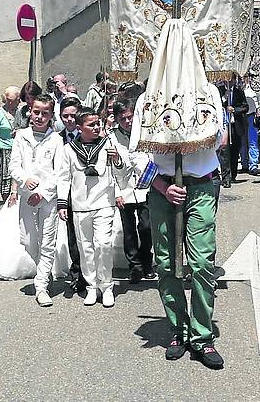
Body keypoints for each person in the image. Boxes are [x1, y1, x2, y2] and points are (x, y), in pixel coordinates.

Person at [131, 80, 227, 369]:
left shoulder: (208, 93)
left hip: (200, 185)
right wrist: (162, 186)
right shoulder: (147, 99)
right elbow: (136, 152)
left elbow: (219, 135)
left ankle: (202, 336)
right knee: (166, 262)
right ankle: (178, 329)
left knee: (201, 262)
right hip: (163, 190)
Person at [57, 109, 131, 307]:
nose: (97, 127)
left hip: (104, 202)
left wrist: (117, 160)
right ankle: (91, 286)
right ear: (80, 128)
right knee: (85, 248)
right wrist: (63, 203)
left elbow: (121, 174)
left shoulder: (108, 144)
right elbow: (64, 178)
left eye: (98, 123)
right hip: (81, 205)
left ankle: (107, 286)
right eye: (91, 124)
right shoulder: (69, 149)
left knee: (103, 244)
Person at [5, 93, 63, 305]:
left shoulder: (56, 139)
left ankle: (41, 285)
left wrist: (44, 193)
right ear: (30, 112)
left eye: (44, 114)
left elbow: (60, 172)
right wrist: (25, 179)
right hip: (27, 197)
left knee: (48, 242)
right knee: (29, 240)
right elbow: (14, 165)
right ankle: (43, 269)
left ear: (50, 116)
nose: (39, 117)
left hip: (48, 199)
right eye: (36, 112)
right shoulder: (21, 136)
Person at [112, 98, 154, 283]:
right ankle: (134, 266)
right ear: (116, 119)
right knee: (128, 231)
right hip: (124, 188)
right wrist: (116, 193)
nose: (127, 122)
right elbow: (109, 171)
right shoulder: (111, 137)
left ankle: (146, 261)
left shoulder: (144, 132)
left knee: (146, 226)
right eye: (123, 119)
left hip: (144, 187)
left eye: (130, 117)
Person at [57, 97, 87, 296]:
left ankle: (90, 273)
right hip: (67, 193)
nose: (69, 120)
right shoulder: (56, 138)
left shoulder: (88, 136)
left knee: (88, 236)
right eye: (65, 116)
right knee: (72, 236)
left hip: (86, 193)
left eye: (72, 116)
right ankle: (77, 275)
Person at [0, 86, 21, 198]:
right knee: (5, 180)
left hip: (19, 148)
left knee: (18, 178)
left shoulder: (21, 112)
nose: (10, 103)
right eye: (8, 100)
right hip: (4, 149)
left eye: (13, 100)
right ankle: (6, 205)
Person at [224, 79, 248, 182]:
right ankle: (226, 176)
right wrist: (225, 100)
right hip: (225, 125)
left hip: (235, 125)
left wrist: (234, 110)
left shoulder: (239, 92)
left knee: (234, 152)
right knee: (225, 152)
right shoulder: (220, 91)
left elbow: (245, 107)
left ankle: (233, 175)